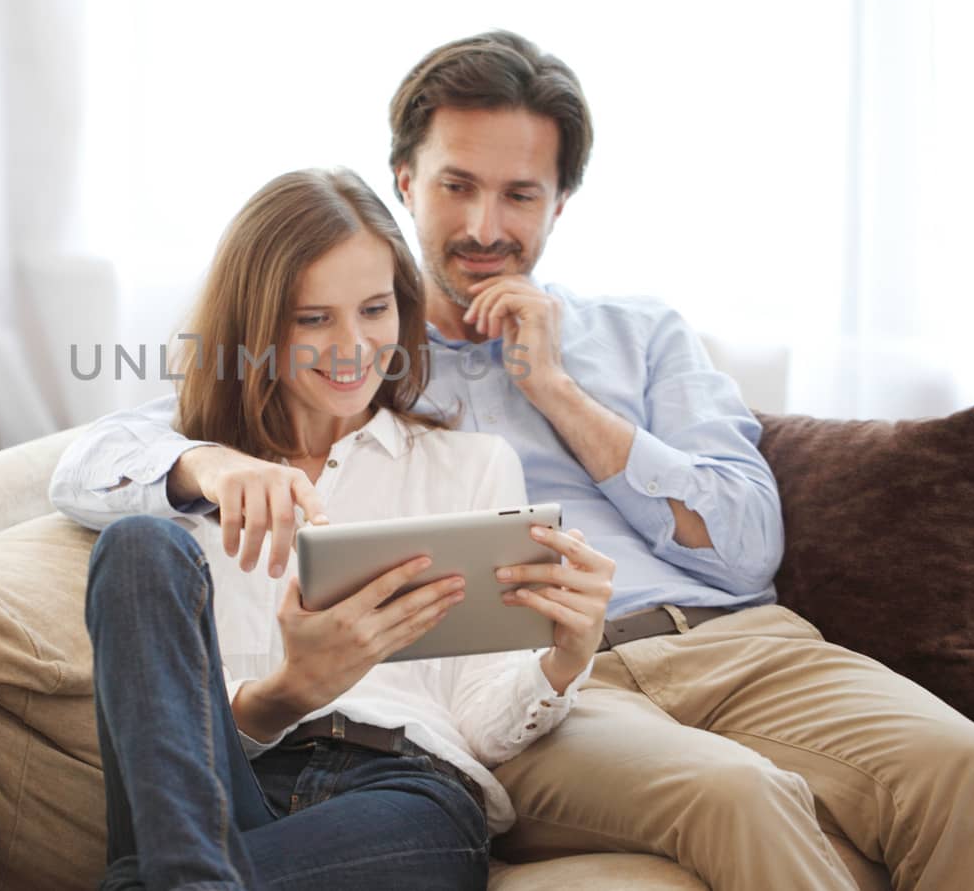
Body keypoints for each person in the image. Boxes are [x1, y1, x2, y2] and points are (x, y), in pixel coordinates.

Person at [53, 31, 974, 891]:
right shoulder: (353, 375)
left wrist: (557, 389)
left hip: (730, 638)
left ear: (561, 201)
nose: (485, 224)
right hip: (566, 691)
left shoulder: (634, 337)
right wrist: (210, 468)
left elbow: (746, 548)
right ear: (405, 184)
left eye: (519, 192)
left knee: (968, 765)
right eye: (456, 186)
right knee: (739, 794)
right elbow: (132, 444)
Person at [69, 166, 615, 890]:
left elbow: (482, 721)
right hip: (219, 788)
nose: (353, 345)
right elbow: (75, 469)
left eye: (375, 309)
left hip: (400, 793)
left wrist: (564, 659)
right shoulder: (183, 466)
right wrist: (210, 469)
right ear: (257, 325)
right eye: (312, 317)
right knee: (138, 545)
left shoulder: (472, 466)